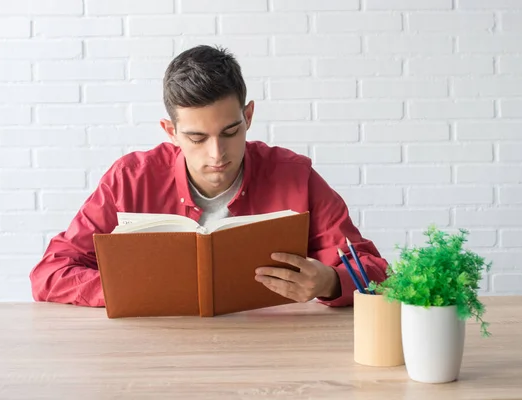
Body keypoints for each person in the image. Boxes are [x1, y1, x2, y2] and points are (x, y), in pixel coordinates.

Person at [29, 45, 388, 308]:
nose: (217, 155)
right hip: (154, 352)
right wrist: (128, 289)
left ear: (248, 116)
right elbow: (49, 273)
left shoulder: (294, 175)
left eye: (230, 132)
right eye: (196, 138)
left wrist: (329, 281)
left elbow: (375, 270)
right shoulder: (129, 179)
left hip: (272, 351)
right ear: (170, 131)